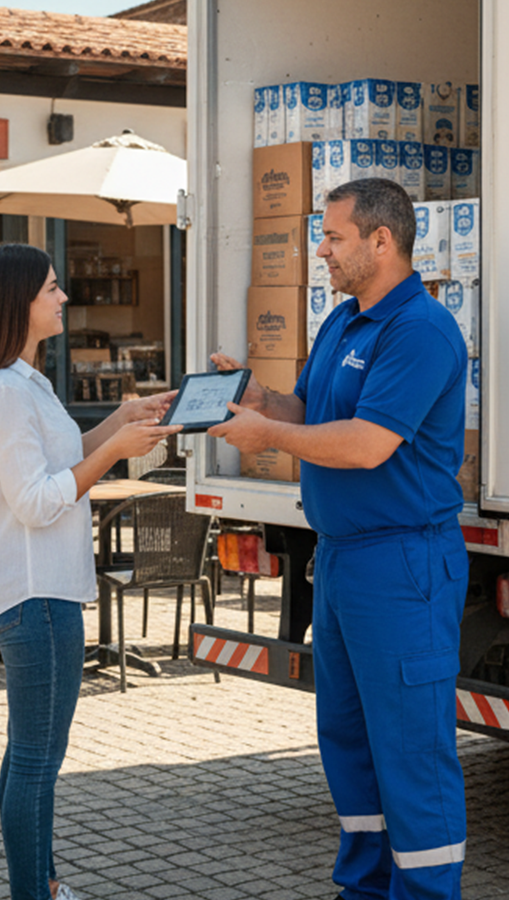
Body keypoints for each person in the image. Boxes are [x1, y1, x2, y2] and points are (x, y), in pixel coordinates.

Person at [211, 178, 468, 900]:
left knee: (411, 751)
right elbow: (313, 410)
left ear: (382, 241)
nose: (318, 250)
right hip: (347, 560)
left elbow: (365, 444)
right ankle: (362, 889)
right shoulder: (344, 321)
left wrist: (268, 435)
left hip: (402, 563)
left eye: (332, 237)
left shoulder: (419, 330)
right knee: (350, 744)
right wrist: (264, 403)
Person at [0, 242, 179, 900]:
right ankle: (34, 893)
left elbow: (62, 460)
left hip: (45, 592)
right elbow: (36, 501)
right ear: (18, 302)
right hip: (34, 596)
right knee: (38, 761)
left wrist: (120, 423)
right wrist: (116, 452)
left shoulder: (28, 383)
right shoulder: (6, 391)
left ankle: (44, 883)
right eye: (52, 289)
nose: (65, 298)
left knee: (28, 757)